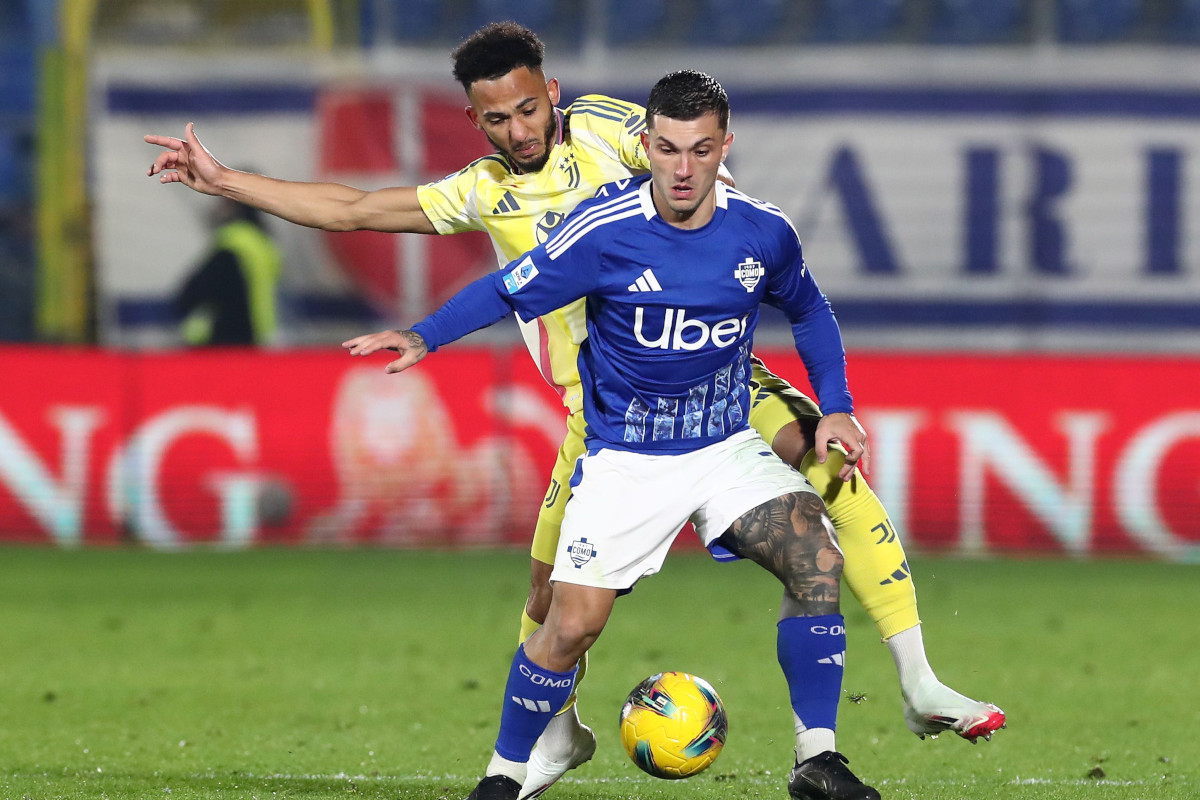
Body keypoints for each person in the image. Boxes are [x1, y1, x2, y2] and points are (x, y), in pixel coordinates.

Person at [145, 20, 1004, 795]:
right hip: (602, 414)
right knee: (551, 598)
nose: (516, 131)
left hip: (712, 378)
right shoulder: (483, 190)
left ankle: (915, 679)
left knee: (822, 461)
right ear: (475, 122)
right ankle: (552, 738)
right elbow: (356, 209)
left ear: (550, 94)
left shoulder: (607, 132)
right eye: (495, 120)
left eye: (526, 109)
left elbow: (696, 182)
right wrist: (229, 184)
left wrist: (713, 226)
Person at [347, 69, 879, 800]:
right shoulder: (605, 230)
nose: (683, 168)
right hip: (626, 459)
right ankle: (503, 778)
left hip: (723, 448)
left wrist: (838, 405)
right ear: (646, 145)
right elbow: (510, 288)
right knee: (569, 628)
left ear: (726, 145)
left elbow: (810, 310)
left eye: (700, 150)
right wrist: (424, 334)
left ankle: (817, 760)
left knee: (815, 551)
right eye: (667, 149)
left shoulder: (763, 231)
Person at [175, 196, 281, 346]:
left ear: (232, 206)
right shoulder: (264, 244)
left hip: (227, 341)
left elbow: (191, 294)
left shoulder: (232, 243)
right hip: (259, 335)